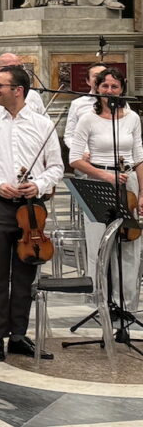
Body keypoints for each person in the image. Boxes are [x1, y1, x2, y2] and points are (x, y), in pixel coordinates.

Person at [0, 65, 63, 362]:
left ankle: (18, 335)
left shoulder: (42, 125)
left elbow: (56, 167)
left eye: (0, 86)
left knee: (25, 274)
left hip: (31, 208)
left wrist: (39, 184)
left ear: (18, 90)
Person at [68, 67, 143, 309]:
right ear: (97, 89)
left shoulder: (133, 118)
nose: (109, 91)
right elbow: (75, 159)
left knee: (129, 244)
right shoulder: (87, 118)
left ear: (122, 89)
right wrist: (106, 176)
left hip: (128, 183)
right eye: (105, 86)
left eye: (114, 87)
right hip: (98, 181)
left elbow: (139, 157)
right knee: (100, 243)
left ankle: (126, 304)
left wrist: (142, 192)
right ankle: (102, 300)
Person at [63, 61, 109, 149]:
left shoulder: (121, 103)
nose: (100, 78)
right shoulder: (77, 104)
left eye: (104, 75)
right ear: (88, 81)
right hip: (86, 157)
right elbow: (69, 136)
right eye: (96, 76)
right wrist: (81, 152)